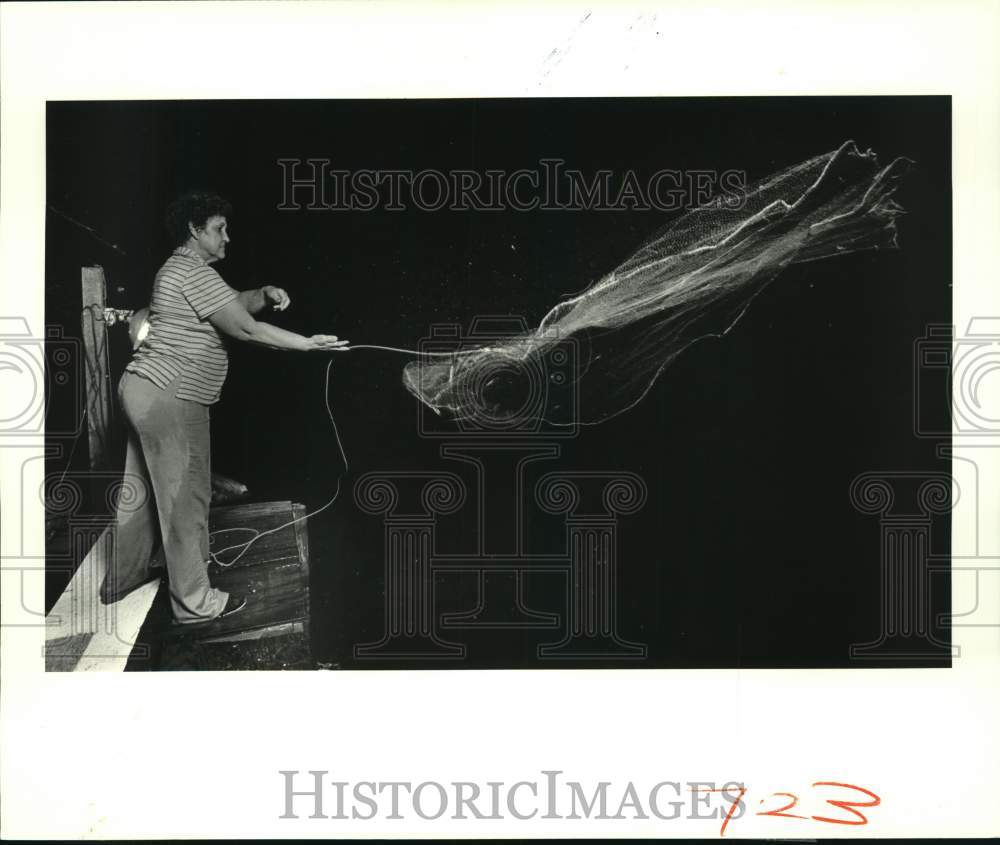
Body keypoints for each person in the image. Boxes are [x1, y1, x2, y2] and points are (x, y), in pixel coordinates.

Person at [100, 191, 349, 624]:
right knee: (186, 498)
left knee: (140, 491)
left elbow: (235, 302)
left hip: (144, 388)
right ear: (195, 231)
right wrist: (307, 344)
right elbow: (247, 329)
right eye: (219, 229)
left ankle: (125, 575)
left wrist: (264, 292)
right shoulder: (190, 273)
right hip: (171, 395)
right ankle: (197, 603)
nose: (227, 237)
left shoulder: (185, 269)